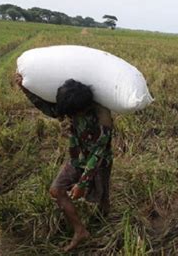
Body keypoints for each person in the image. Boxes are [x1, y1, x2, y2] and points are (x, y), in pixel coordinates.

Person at [15, 74, 113, 252]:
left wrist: (82, 183)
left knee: (102, 200)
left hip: (99, 164)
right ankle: (80, 231)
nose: (69, 116)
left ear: (83, 108)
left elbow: (99, 153)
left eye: (72, 114)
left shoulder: (102, 116)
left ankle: (104, 226)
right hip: (77, 158)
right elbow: (52, 111)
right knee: (56, 189)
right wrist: (25, 89)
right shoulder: (71, 106)